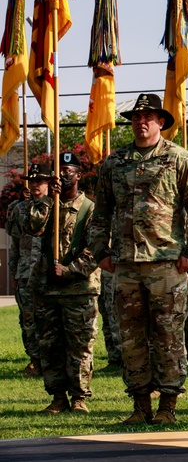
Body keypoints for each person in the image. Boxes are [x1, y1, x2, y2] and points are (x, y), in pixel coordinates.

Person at [88, 93, 188, 425]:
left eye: (149, 117)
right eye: (136, 117)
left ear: (161, 122)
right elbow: (101, 211)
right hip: (126, 265)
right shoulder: (115, 162)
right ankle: (140, 404)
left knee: (169, 335)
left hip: (166, 264)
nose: (141, 122)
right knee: (131, 337)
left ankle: (168, 406)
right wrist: (100, 251)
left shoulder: (180, 159)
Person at [29, 153, 99, 414]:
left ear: (79, 175)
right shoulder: (47, 206)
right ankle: (58, 396)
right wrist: (48, 198)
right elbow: (32, 227)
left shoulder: (90, 208)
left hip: (79, 289)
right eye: (59, 170)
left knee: (80, 347)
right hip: (46, 288)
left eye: (68, 170)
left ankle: (80, 397)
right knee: (49, 345)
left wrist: (70, 270)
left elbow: (98, 247)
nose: (63, 174)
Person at [8, 164, 49, 377]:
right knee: (28, 320)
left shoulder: (56, 206)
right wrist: (13, 272)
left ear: (49, 183)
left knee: (49, 320)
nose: (35, 185)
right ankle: (35, 360)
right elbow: (14, 242)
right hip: (25, 272)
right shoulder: (20, 209)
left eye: (39, 181)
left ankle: (51, 361)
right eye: (32, 181)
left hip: (49, 272)